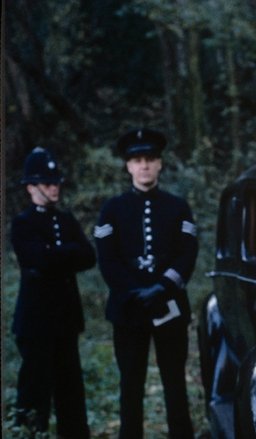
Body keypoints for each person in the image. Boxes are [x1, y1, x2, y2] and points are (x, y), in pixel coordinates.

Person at [94, 129, 198, 438]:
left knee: (175, 384)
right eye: (137, 160)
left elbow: (187, 254)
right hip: (129, 310)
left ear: (160, 164)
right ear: (128, 166)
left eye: (150, 159)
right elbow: (107, 259)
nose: (144, 166)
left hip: (169, 305)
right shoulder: (111, 210)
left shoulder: (178, 207)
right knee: (130, 384)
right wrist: (133, 291)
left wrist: (163, 287)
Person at [10, 147, 95, 437]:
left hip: (66, 320)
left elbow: (88, 256)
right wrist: (66, 253)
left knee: (71, 392)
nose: (54, 188)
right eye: (47, 183)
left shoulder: (66, 220)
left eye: (56, 182)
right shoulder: (23, 223)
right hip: (36, 322)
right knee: (35, 392)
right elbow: (37, 260)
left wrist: (56, 253)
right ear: (31, 187)